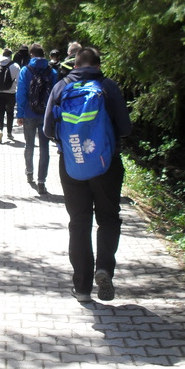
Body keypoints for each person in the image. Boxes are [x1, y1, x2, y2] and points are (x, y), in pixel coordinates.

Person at [43, 47, 131, 303]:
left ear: (75, 65)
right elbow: (125, 128)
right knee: (108, 218)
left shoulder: (61, 87)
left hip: (72, 164)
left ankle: (82, 288)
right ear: (98, 66)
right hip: (107, 165)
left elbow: (48, 130)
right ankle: (104, 268)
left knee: (79, 222)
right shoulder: (108, 87)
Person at [15, 43, 57, 195]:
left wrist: (20, 114)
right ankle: (41, 181)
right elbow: (55, 95)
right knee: (45, 148)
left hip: (29, 113)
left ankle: (29, 173)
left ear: (31, 55)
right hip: (45, 114)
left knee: (29, 145)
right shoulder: (52, 72)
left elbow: (21, 93)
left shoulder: (26, 70)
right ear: (44, 55)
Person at [0, 48, 20, 144]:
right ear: (11, 55)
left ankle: (0, 130)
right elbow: (19, 81)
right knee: (10, 113)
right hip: (11, 94)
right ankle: (9, 132)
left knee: (0, 112)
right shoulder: (15, 66)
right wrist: (15, 89)